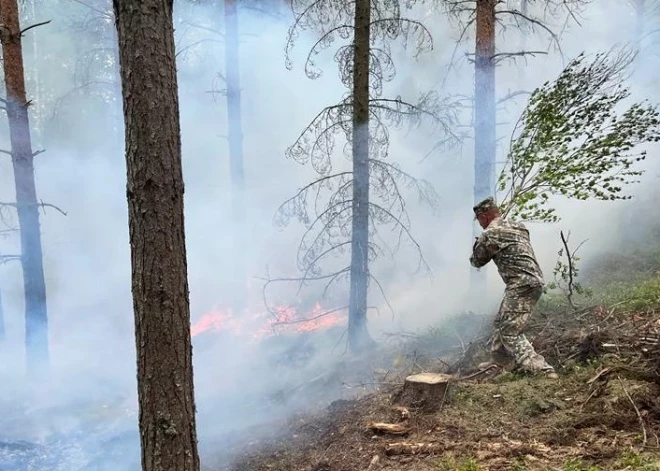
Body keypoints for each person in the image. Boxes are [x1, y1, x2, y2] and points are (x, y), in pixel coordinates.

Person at [470, 197, 558, 379]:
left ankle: (543, 370)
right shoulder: (518, 226)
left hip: (520, 284)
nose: (480, 224)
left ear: (484, 216)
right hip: (532, 280)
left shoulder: (490, 233)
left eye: (479, 220)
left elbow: (477, 261)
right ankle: (499, 360)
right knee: (502, 320)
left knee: (510, 331)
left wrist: (480, 242)